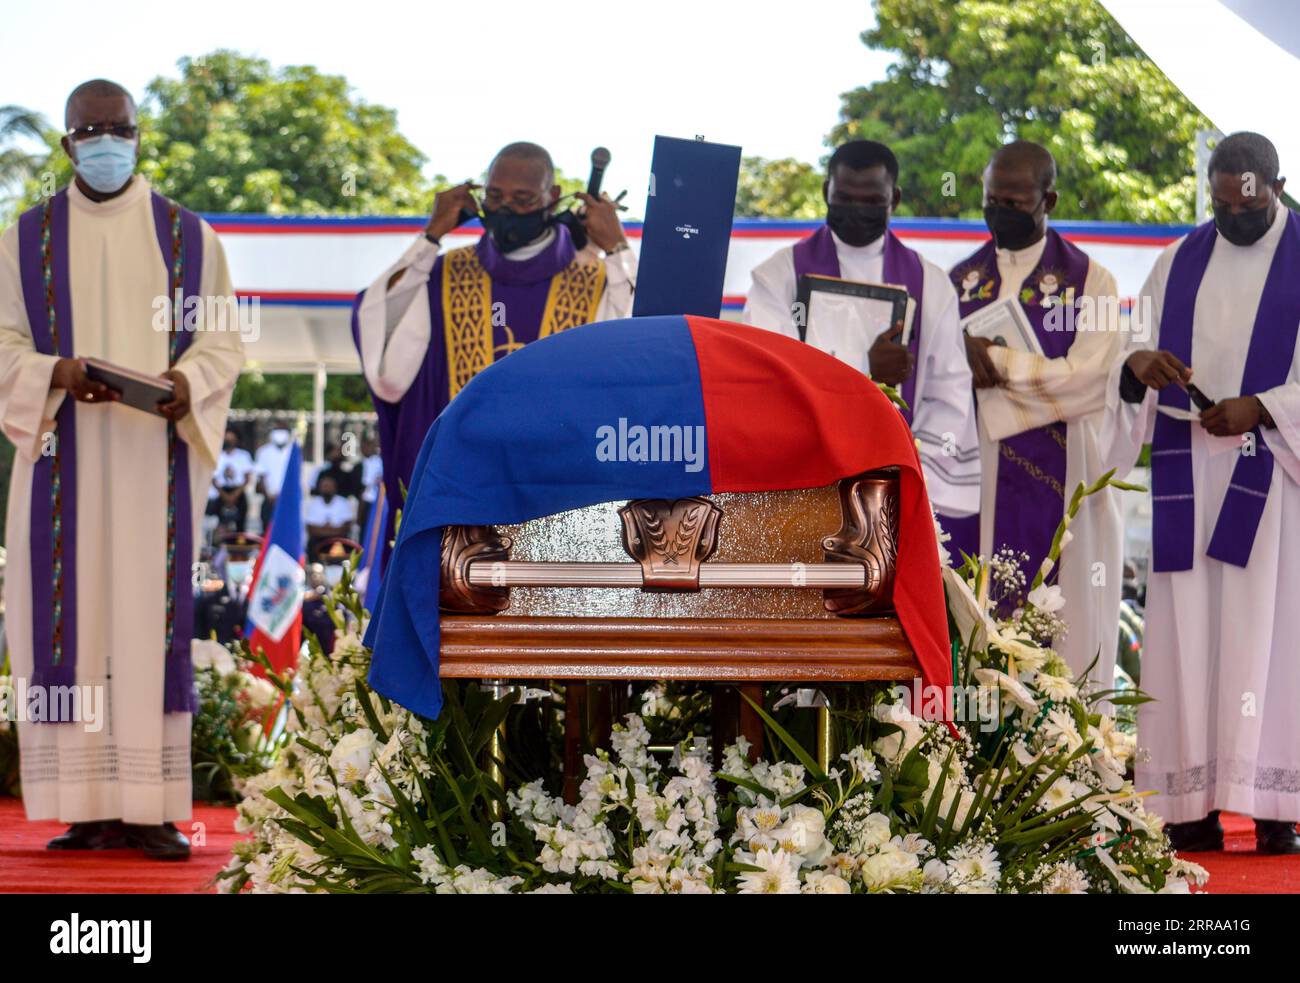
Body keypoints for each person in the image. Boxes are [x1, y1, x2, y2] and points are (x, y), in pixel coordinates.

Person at [0, 80, 244, 858]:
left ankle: (149, 805)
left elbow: (225, 340)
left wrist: (185, 384)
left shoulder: (190, 238)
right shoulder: (24, 238)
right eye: (90, 129)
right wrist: (58, 373)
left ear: (139, 135)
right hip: (58, 460)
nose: (106, 140)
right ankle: (84, 800)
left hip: (151, 467)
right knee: (72, 621)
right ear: (68, 143)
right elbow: (3, 344)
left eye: (119, 127)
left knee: (143, 621)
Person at [1100, 132, 1300, 853]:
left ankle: (1276, 804)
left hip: (1275, 475)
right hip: (1189, 464)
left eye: (1246, 207)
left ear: (1277, 184)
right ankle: (1188, 801)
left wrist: (1266, 407)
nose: (1232, 220)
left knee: (1271, 631)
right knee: (1188, 631)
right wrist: (1139, 365)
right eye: (1219, 207)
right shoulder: (1178, 260)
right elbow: (1131, 351)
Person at [352, 141, 636, 564]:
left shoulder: (596, 279)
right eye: (495, 197)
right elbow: (387, 369)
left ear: (553, 198)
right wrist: (430, 236)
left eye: (523, 199)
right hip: (462, 511)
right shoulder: (445, 275)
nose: (507, 209)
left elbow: (646, 353)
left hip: (566, 503)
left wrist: (617, 248)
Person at [947, 140, 1125, 687]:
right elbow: (937, 375)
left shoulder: (1093, 282)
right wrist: (963, 359)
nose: (1001, 211)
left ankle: (1056, 762)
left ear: (1049, 199)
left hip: (1061, 472)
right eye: (991, 199)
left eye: (1016, 202)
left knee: (1055, 634)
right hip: (972, 480)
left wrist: (995, 364)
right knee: (968, 627)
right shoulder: (955, 282)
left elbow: (1089, 380)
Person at [742, 140, 979, 525]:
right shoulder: (779, 275)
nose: (856, 211)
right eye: (844, 198)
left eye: (871, 201)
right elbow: (769, 372)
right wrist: (868, 372)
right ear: (825, 192)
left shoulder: (929, 284)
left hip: (895, 485)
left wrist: (906, 470)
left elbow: (948, 388)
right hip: (803, 476)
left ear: (895, 198)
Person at [207, 428, 254, 535]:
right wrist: (224, 495)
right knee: (221, 526)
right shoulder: (217, 455)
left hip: (238, 493)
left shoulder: (243, 455)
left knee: (240, 526)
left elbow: (247, 478)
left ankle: (239, 550)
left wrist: (234, 495)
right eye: (227, 438)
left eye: (232, 439)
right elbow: (213, 478)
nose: (229, 441)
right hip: (222, 492)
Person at [304, 474, 355, 561]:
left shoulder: (343, 503)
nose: (326, 489)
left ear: (335, 488)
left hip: (339, 540)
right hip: (318, 541)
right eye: (324, 486)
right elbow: (311, 529)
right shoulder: (313, 504)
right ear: (319, 488)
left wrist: (323, 529)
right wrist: (333, 529)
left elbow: (345, 529)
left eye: (329, 486)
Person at [253, 426, 293, 532]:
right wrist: (270, 496)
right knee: (267, 528)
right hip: (268, 498)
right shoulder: (263, 451)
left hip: (287, 499)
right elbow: (261, 476)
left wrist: (283, 496)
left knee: (286, 529)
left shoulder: (293, 451)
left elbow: (294, 477)